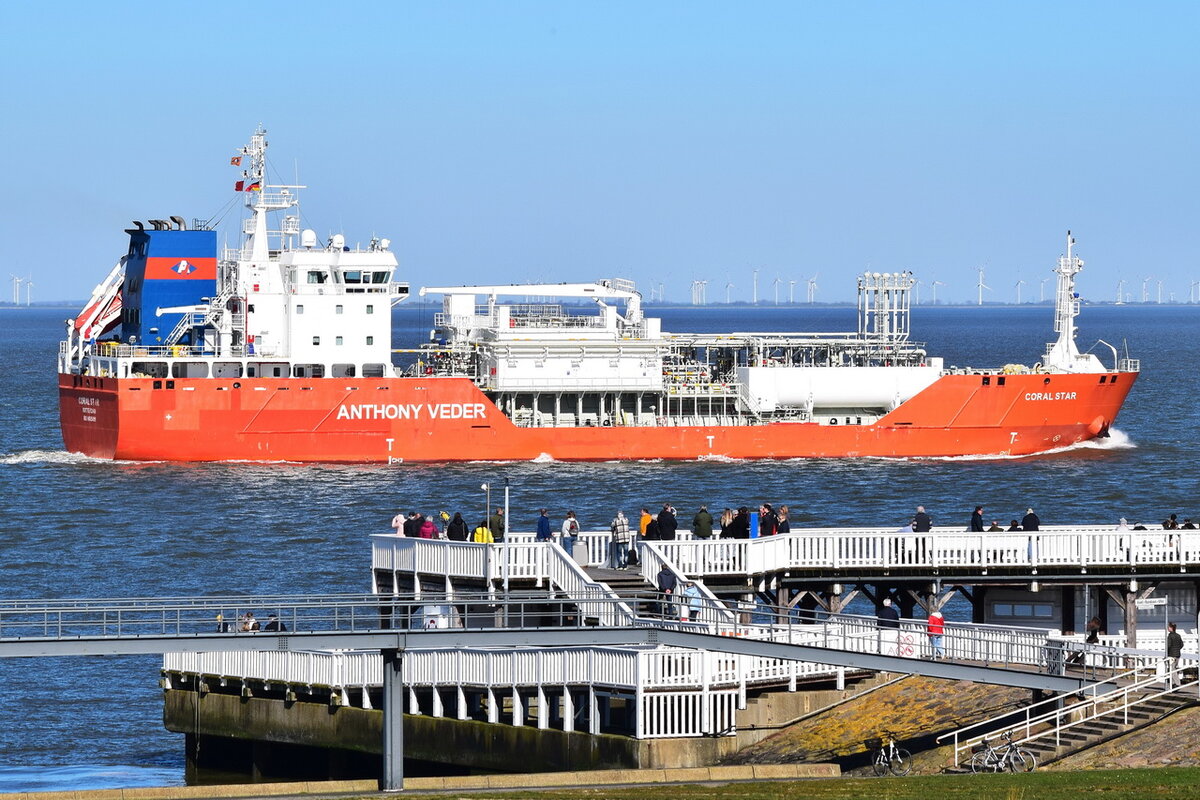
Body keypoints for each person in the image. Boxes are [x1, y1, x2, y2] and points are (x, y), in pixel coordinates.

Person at [1167, 622, 1184, 688]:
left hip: (1171, 654)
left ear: (1171, 628)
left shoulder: (1170, 636)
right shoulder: (1178, 635)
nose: (1168, 628)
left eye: (1169, 627)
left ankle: (1177, 683)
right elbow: (1182, 644)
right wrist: (1177, 649)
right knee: (1174, 668)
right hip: (1178, 654)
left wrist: (1168, 652)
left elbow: (1168, 645)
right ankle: (1174, 683)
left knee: (1172, 669)